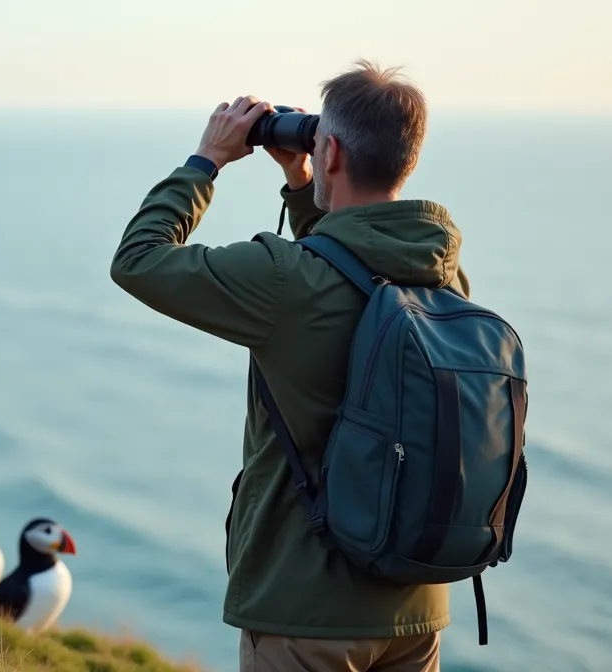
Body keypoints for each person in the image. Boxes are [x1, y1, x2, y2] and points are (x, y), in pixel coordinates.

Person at [110, 60, 467, 672]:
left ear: (330, 152)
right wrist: (303, 187)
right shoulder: (443, 272)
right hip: (415, 609)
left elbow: (138, 259)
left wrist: (206, 161)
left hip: (305, 611)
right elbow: (350, 278)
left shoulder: (283, 279)